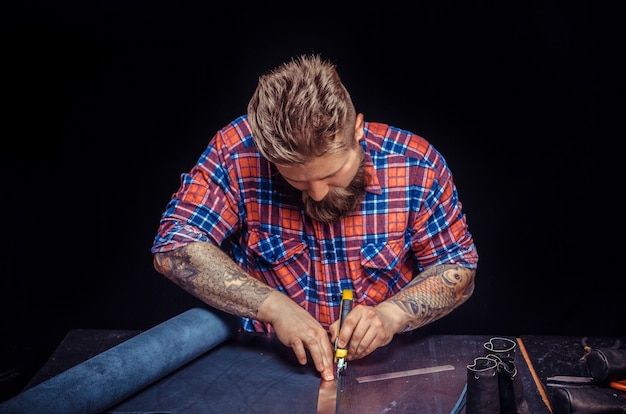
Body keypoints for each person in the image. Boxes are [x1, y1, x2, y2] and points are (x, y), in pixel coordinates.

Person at [151, 54, 478, 382]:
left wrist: (390, 316)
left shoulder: (416, 165)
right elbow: (174, 246)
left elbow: (457, 265)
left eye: (333, 173)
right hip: (261, 365)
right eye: (298, 180)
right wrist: (274, 308)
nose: (318, 194)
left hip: (383, 372)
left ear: (358, 129)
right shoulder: (236, 152)